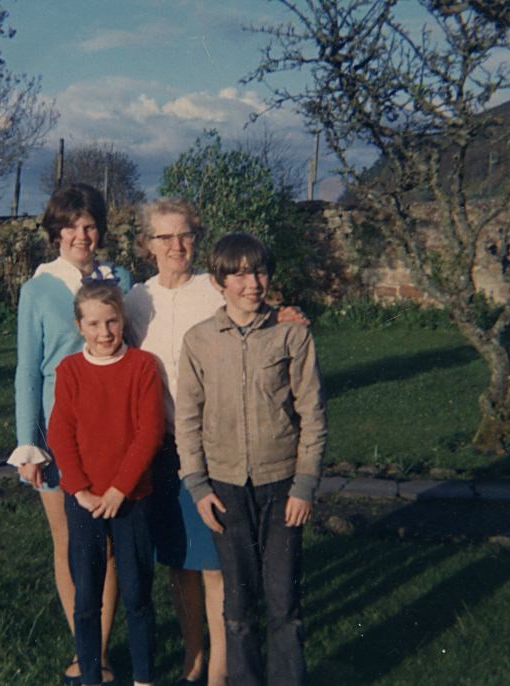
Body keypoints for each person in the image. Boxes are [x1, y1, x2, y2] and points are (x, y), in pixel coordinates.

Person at [124, 200, 309, 686]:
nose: (175, 246)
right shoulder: (135, 302)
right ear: (148, 245)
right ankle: (194, 659)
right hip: (161, 445)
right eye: (164, 238)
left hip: (219, 449)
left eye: (183, 235)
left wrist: (288, 314)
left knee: (216, 564)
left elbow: (261, 316)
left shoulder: (215, 289)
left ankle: (223, 671)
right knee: (179, 562)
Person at [176, 233, 327, 686]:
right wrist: (198, 488)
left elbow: (312, 412)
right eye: (239, 273)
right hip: (224, 490)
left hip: (281, 487)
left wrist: (304, 485)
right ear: (220, 280)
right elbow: (187, 419)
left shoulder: (290, 334)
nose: (252, 283)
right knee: (238, 607)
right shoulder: (199, 340)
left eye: (259, 271)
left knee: (283, 603)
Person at [7, 183, 132, 686]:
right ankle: (86, 653)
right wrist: (27, 444)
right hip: (61, 436)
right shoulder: (37, 290)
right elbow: (28, 371)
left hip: (117, 432)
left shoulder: (121, 279)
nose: (82, 235)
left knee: (110, 547)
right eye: (71, 226)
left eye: (90, 225)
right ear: (55, 232)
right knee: (69, 543)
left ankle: (97, 652)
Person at [48, 281, 165, 686]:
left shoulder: (142, 366)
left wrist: (119, 490)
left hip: (130, 498)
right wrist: (80, 490)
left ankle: (144, 677)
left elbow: (149, 432)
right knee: (86, 599)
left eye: (111, 321)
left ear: (123, 320)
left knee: (136, 594)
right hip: (84, 501)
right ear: (80, 326)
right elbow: (60, 432)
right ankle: (91, 674)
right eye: (94, 324)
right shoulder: (70, 371)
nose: (104, 333)